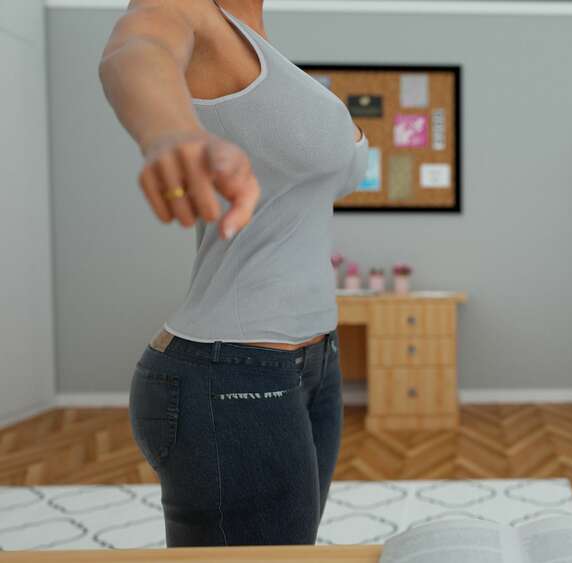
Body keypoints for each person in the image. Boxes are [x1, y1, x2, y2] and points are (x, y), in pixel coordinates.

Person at [98, 0, 368, 546]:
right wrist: (171, 133)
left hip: (316, 363)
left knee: (291, 551)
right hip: (231, 370)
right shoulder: (190, 11)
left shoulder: (269, 59)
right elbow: (137, 47)